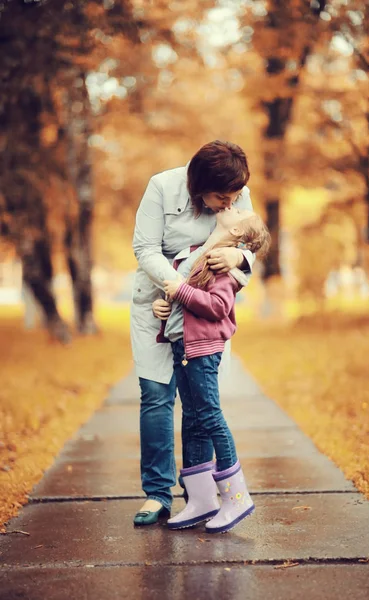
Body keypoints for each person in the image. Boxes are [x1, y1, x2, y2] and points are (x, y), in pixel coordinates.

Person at [131, 141, 255, 526]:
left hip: (202, 317)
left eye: (235, 197)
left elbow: (250, 240)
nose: (229, 204)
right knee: (156, 394)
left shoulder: (237, 192)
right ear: (198, 183)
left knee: (200, 402)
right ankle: (156, 492)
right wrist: (175, 288)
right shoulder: (162, 187)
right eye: (222, 197)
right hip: (161, 302)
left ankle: (199, 495)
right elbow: (145, 248)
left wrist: (239, 257)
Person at [160, 207, 270, 533]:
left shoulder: (224, 261)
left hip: (204, 349)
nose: (232, 206)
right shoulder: (204, 251)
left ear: (237, 234)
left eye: (239, 211)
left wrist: (181, 291)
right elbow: (186, 299)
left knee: (209, 417)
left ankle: (236, 497)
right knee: (192, 420)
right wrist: (166, 305)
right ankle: (201, 500)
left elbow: (220, 307)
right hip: (184, 346)